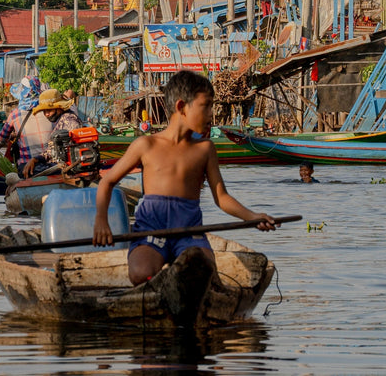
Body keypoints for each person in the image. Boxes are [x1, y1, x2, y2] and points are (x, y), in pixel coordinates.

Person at [92, 69, 277, 286]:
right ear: (181, 107)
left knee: (204, 273)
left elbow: (221, 197)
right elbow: (107, 182)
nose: (211, 114)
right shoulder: (146, 145)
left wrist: (251, 216)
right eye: (205, 106)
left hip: (190, 233)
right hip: (151, 230)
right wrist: (101, 221)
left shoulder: (205, 149)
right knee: (141, 274)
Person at [0, 76, 55, 176]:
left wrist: (12, 136)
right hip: (52, 164)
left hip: (27, 167)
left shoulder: (15, 114)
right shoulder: (49, 110)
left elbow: (2, 138)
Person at [22, 88, 84, 177]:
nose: (47, 114)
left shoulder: (70, 121)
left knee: (26, 171)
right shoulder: (60, 120)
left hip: (68, 167)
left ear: (59, 107)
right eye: (44, 111)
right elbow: (52, 151)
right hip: (58, 165)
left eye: (49, 110)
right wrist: (36, 159)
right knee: (24, 167)